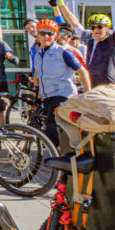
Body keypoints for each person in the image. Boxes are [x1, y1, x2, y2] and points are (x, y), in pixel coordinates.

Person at [31, 17, 91, 145]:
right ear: (37, 35)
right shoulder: (38, 54)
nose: (46, 36)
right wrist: (36, 92)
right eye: (42, 33)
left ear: (55, 35)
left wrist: (87, 96)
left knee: (52, 123)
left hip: (64, 94)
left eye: (50, 33)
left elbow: (83, 72)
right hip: (48, 96)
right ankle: (64, 154)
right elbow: (37, 73)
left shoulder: (62, 52)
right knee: (54, 128)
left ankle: (59, 156)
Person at [54, 0, 115, 88]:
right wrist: (61, 4)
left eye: (100, 27)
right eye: (93, 27)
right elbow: (74, 24)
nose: (96, 29)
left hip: (109, 87)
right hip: (92, 86)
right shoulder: (90, 39)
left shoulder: (113, 41)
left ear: (107, 28)